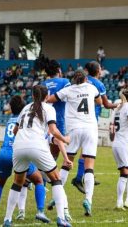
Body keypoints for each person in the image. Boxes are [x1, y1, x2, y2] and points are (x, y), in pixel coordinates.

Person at [2, 86, 72, 227]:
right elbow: (53, 130)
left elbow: (16, 130)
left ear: (33, 96)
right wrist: (65, 139)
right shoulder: (48, 108)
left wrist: (24, 140)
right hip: (37, 145)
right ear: (47, 96)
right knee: (56, 179)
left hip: (19, 146)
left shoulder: (25, 108)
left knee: (17, 182)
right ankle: (60, 219)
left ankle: (7, 220)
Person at [48, 69, 102, 217]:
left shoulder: (68, 90)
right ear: (86, 79)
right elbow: (99, 102)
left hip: (74, 130)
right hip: (90, 128)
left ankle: (56, 196)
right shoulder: (92, 88)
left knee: (67, 163)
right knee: (89, 167)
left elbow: (50, 99)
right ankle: (88, 200)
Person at [0, 96, 50, 223]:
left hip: (4, 153)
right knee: (38, 180)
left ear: (11, 108)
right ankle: (40, 212)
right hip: (18, 153)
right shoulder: (25, 118)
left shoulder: (10, 120)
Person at [70, 61, 118, 194]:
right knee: (87, 150)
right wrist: (118, 105)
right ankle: (80, 177)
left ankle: (85, 175)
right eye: (101, 68)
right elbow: (106, 104)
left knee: (79, 150)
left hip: (77, 118)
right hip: (90, 120)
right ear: (98, 70)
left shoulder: (80, 81)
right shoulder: (98, 84)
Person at [42, 60, 71, 159]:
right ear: (58, 69)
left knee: (44, 146)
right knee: (55, 150)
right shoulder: (64, 82)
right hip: (58, 119)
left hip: (44, 119)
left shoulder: (42, 84)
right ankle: (47, 170)